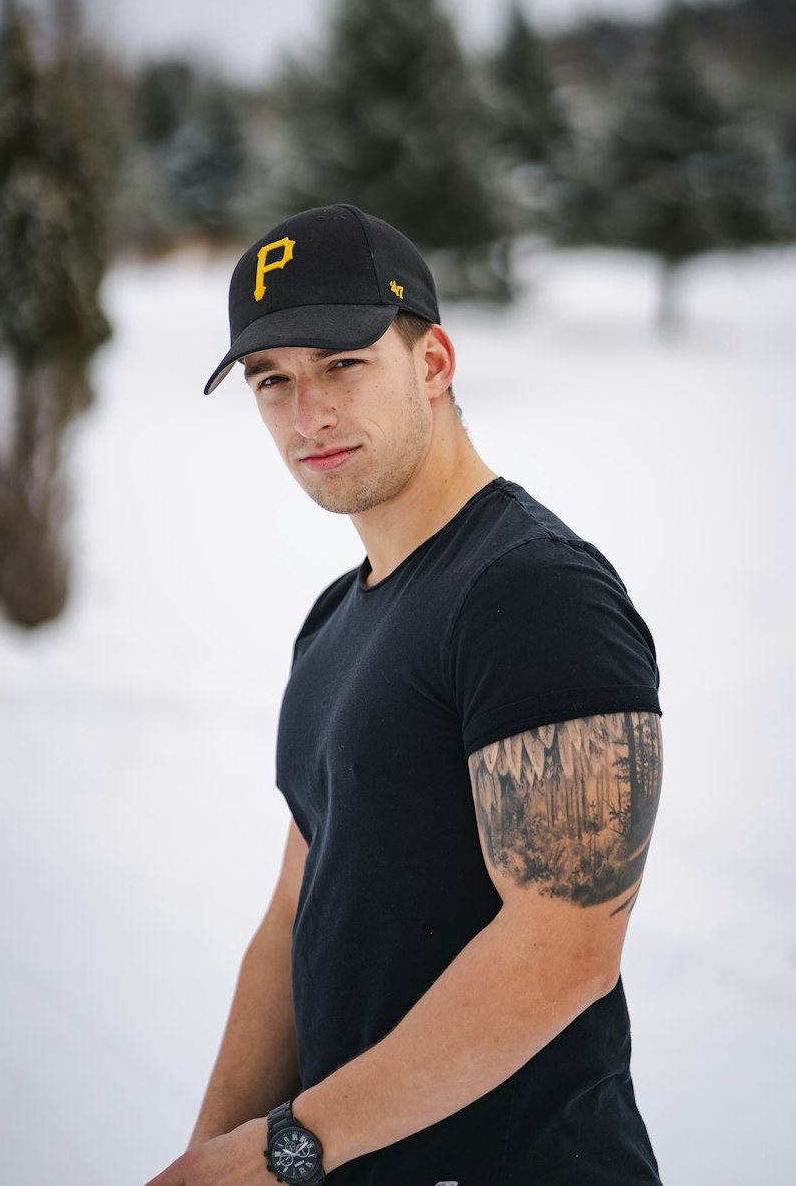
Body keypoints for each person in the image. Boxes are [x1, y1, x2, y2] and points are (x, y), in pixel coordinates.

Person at [145, 203, 663, 1186]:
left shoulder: (535, 592)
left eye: (343, 365)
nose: (309, 416)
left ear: (432, 363)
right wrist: (206, 1156)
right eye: (273, 382)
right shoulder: (333, 623)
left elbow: (563, 949)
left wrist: (280, 1153)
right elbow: (296, 911)